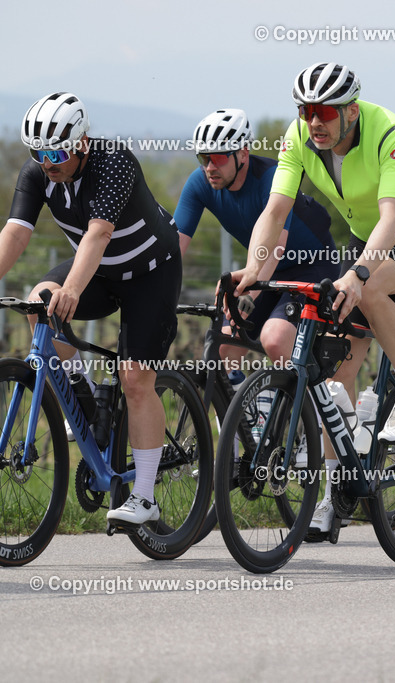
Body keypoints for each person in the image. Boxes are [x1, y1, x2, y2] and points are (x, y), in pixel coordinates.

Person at [233, 63, 395, 536]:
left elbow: (393, 218)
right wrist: (255, 270)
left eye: (325, 112)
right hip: (366, 239)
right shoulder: (299, 137)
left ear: (351, 111)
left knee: (370, 289)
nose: (314, 121)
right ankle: (335, 492)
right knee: (333, 376)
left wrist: (357, 274)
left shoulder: (387, 132)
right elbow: (275, 211)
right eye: (306, 110)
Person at [0, 92, 181, 525]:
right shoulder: (39, 172)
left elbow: (98, 235)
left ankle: (144, 496)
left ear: (81, 141)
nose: (48, 161)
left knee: (136, 378)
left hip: (149, 273)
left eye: (57, 151)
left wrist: (75, 289)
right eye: (37, 152)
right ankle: (80, 392)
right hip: (100, 272)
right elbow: (15, 234)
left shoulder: (113, 161)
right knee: (40, 298)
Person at [175, 108, 339, 366]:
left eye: (218, 157)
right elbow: (174, 249)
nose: (209, 167)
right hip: (265, 269)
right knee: (224, 348)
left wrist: (249, 295)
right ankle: (241, 403)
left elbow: (277, 246)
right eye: (203, 158)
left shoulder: (272, 178)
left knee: (274, 339)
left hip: (311, 266)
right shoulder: (199, 184)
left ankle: (302, 403)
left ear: (242, 153)